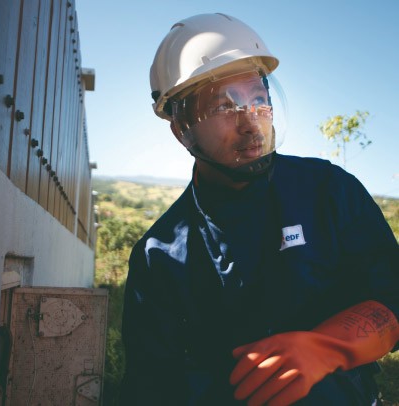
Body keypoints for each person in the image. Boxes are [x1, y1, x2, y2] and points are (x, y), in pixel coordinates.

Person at [120, 13, 399, 406]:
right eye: (224, 106)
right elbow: (150, 387)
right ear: (182, 129)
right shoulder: (160, 257)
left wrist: (330, 346)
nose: (251, 123)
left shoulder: (327, 191)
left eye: (258, 100)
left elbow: (392, 295)